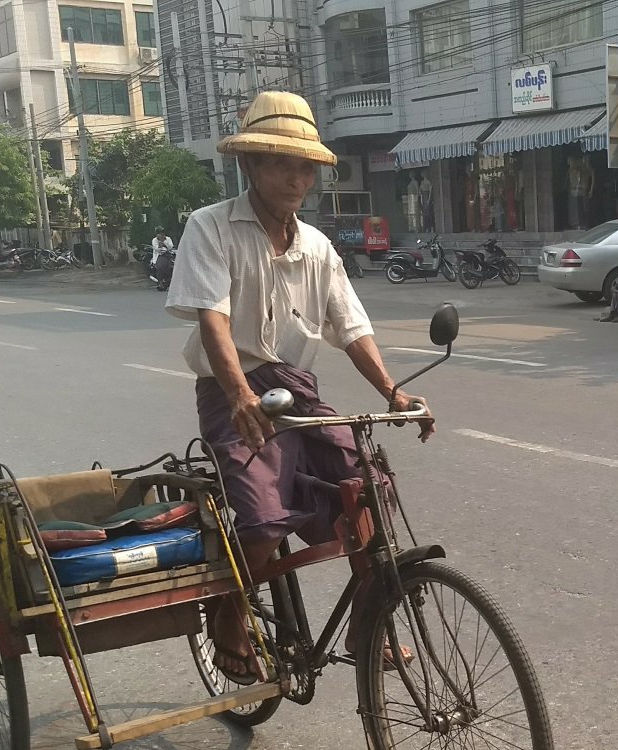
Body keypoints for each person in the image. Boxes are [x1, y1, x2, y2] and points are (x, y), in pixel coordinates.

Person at [166, 90, 434, 684]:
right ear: (250, 165)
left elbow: (351, 326)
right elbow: (212, 319)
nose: (296, 179)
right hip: (233, 389)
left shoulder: (317, 245)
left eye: (305, 168)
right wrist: (239, 396)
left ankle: (369, 621)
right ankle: (230, 613)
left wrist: (393, 392)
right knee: (261, 514)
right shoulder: (210, 227)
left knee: (365, 488)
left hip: (297, 391)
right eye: (281, 164)